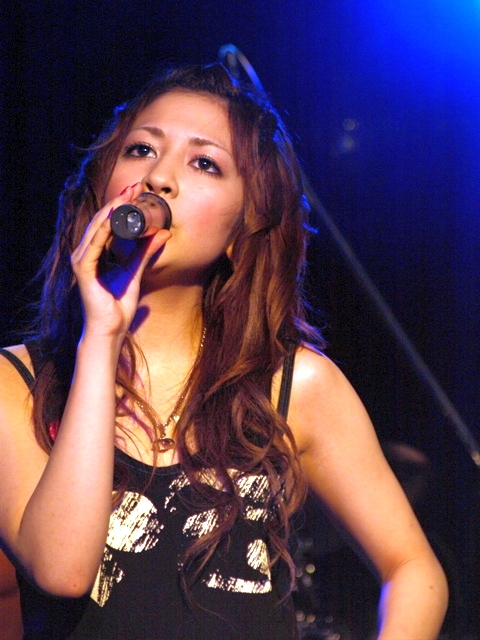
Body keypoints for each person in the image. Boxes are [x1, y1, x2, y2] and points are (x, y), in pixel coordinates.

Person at [0, 62, 448, 639]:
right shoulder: (16, 384)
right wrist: (101, 338)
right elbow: (62, 571)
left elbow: (413, 569)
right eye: (141, 150)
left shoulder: (292, 385)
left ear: (243, 226)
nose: (159, 178)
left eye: (204, 163)